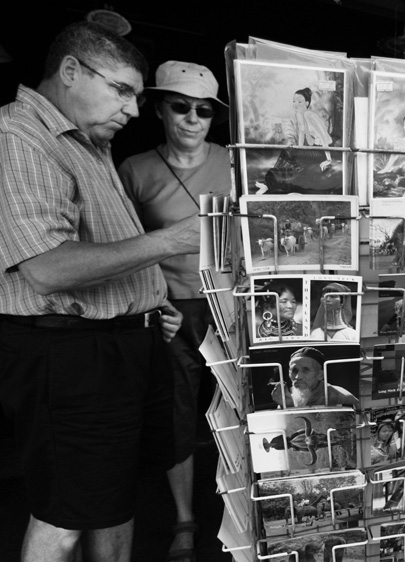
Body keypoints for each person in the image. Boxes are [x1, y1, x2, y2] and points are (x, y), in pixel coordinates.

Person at [0, 22, 201, 562]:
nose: (134, 110)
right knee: (63, 513)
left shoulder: (87, 140)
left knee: (113, 496)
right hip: (71, 355)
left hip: (122, 343)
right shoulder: (19, 137)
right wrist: (175, 239)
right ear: (70, 70)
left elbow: (107, 247)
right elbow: (45, 267)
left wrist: (149, 303)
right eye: (122, 90)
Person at [117, 59, 229, 562]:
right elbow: (122, 249)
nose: (191, 118)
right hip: (168, 309)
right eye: (181, 106)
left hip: (229, 305)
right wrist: (154, 302)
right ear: (159, 108)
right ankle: (185, 516)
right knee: (177, 413)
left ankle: (247, 509)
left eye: (203, 111)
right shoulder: (135, 169)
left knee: (244, 409)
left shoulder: (234, 163)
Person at [262, 87, 337, 195]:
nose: (295, 104)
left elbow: (324, 136)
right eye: (294, 101)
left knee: (289, 152)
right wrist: (298, 152)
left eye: (299, 102)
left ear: (306, 103)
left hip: (321, 151)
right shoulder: (299, 116)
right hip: (312, 148)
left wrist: (328, 160)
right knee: (289, 151)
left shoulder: (310, 115)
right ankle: (272, 182)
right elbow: (301, 137)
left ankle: (270, 183)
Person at [271, 346, 360, 408]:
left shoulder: (342, 397)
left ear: (320, 375)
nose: (298, 377)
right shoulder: (289, 397)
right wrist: (287, 406)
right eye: (294, 371)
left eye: (306, 370)